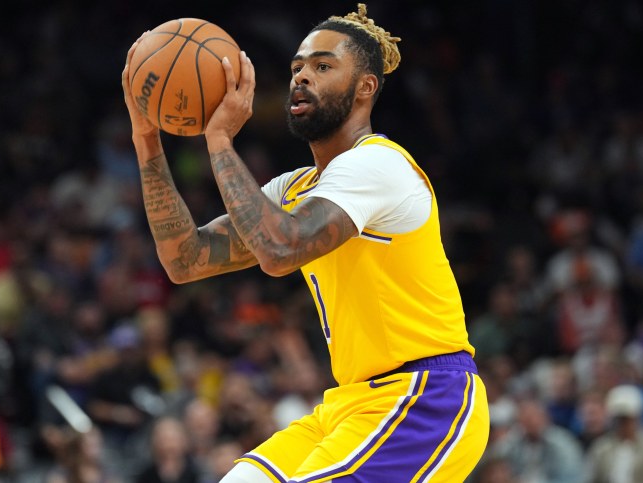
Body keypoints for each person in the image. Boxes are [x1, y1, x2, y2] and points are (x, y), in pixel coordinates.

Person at [122, 3, 489, 482]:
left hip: (426, 398)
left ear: (365, 88)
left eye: (322, 66)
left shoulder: (378, 166)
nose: (301, 77)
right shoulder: (293, 189)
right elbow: (185, 259)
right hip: (351, 404)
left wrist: (219, 142)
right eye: (297, 67)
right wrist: (146, 136)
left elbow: (279, 251)